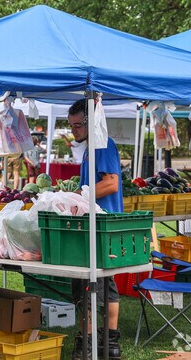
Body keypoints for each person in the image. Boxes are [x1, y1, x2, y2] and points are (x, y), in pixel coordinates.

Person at [68, 99, 123, 360]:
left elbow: (111, 184)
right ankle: (105, 344)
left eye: (78, 125)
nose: (74, 131)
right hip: (95, 223)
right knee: (99, 283)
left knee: (92, 284)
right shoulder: (90, 147)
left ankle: (94, 344)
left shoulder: (103, 144)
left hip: (104, 225)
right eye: (71, 126)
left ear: (91, 122)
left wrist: (80, 194)